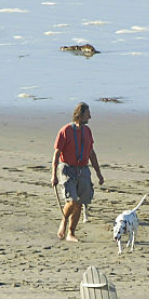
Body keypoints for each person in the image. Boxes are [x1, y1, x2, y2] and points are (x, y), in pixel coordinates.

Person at [52, 102, 104, 242]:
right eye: (88, 114)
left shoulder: (87, 131)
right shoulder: (65, 131)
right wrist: (53, 176)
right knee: (72, 200)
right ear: (80, 115)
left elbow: (91, 153)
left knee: (80, 202)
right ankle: (63, 222)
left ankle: (71, 233)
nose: (90, 116)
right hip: (68, 169)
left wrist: (98, 173)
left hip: (83, 170)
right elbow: (57, 154)